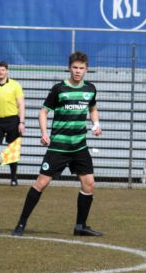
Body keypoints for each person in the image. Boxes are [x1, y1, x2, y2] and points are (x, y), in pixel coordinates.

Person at [11, 51, 102, 238]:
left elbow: (92, 108)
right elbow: (43, 112)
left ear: (86, 69)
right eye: (75, 68)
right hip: (58, 147)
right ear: (69, 68)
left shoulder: (90, 89)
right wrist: (44, 133)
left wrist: (96, 124)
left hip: (79, 146)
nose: (78, 71)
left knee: (89, 184)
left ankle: (80, 226)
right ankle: (21, 223)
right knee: (41, 183)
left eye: (81, 68)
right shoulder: (59, 89)